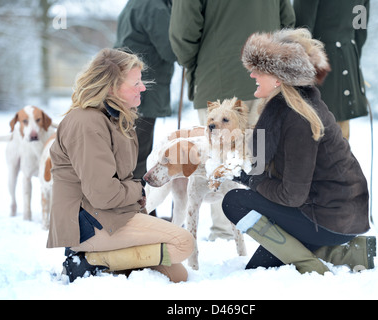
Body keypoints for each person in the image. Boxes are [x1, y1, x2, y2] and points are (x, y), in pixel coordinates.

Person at [221, 29, 376, 274]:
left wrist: (251, 180)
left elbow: (291, 196)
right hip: (330, 212)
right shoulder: (289, 107)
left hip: (330, 218)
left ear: (279, 78)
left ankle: (314, 263)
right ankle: (340, 253)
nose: (252, 75)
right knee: (256, 270)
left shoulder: (297, 118)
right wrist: (237, 172)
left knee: (235, 202)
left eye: (260, 70)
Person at [46, 48, 194, 283]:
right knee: (183, 243)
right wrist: (138, 190)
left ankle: (109, 265)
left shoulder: (114, 119)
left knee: (177, 274)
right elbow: (103, 194)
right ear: (112, 87)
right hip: (88, 224)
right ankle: (86, 262)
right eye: (136, 83)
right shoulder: (87, 123)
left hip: (113, 215)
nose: (143, 87)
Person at [169, 0, 296, 241]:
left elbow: (183, 30)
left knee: (220, 157)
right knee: (262, 158)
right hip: (267, 79)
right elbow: (287, 22)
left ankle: (227, 232)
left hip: (217, 74)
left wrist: (194, 62)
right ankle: (267, 231)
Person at [114, 0, 177, 182]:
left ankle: (133, 200)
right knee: (139, 151)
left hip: (128, 83)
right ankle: (136, 202)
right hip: (143, 88)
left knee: (129, 148)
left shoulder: (136, 3)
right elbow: (171, 49)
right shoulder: (154, 6)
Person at [294, 0, 370, 140]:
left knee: (315, 132)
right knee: (340, 135)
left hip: (318, 66)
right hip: (348, 60)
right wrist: (350, 57)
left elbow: (301, 32)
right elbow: (360, 31)